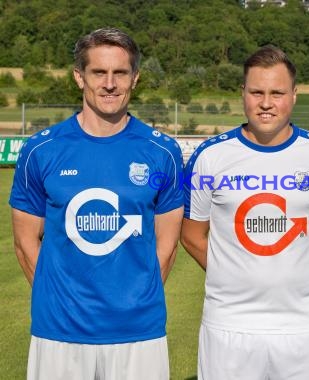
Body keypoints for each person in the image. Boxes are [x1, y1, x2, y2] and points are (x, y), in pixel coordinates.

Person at [9, 28, 183, 380]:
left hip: (139, 332)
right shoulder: (40, 151)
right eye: (98, 73)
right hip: (59, 332)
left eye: (120, 73)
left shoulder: (163, 152)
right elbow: (25, 242)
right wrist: (59, 301)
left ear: (134, 78)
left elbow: (167, 245)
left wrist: (134, 301)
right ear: (79, 77)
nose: (109, 83)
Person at [180, 45, 309, 380]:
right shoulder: (210, 156)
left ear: (294, 95)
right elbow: (192, 235)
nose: (266, 103)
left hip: (305, 327)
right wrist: (235, 276)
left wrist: (296, 274)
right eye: (256, 92)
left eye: (277, 92)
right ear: (242, 93)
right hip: (228, 326)